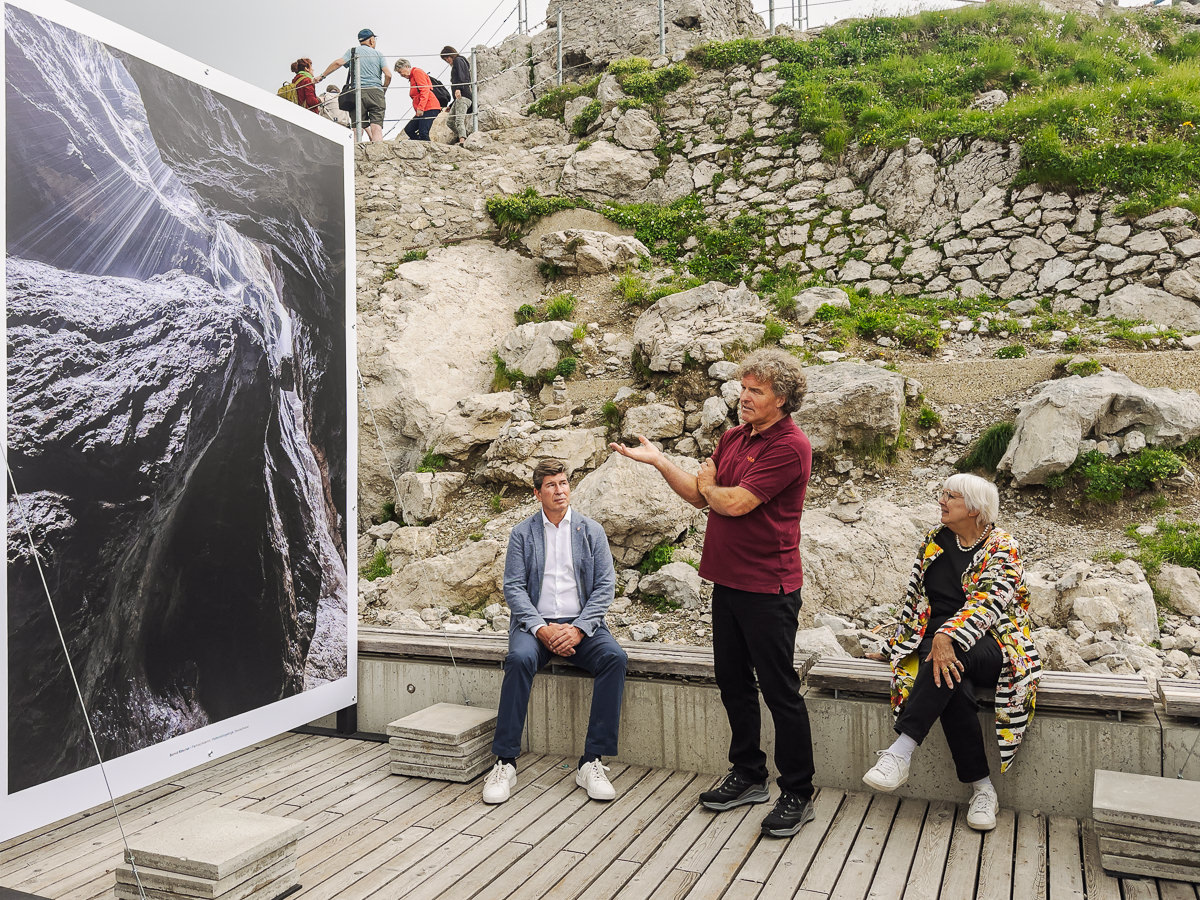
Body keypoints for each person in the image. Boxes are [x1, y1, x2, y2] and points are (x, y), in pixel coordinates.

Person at [609, 348, 816, 839]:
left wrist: (709, 486)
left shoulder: (791, 446)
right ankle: (748, 773)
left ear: (782, 399)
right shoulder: (734, 437)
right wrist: (662, 461)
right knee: (732, 682)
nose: (742, 397)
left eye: (755, 392)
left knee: (780, 690)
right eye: (742, 388)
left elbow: (736, 503)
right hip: (728, 582)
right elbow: (704, 496)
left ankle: (798, 791)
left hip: (770, 587)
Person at [861, 473, 1042, 832]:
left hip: (994, 641)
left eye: (951, 497)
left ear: (975, 509)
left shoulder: (1003, 547)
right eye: (942, 494)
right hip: (937, 644)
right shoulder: (936, 539)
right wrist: (897, 642)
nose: (942, 501)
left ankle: (901, 751)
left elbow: (987, 603)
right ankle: (982, 789)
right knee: (950, 678)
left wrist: (948, 635)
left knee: (947, 656)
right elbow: (914, 601)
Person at [482, 459, 627, 805]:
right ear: (537, 493)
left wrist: (578, 629)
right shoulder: (522, 534)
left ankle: (591, 761)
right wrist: (540, 628)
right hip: (535, 625)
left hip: (583, 625)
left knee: (615, 659)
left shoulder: (592, 531)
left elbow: (605, 587)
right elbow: (514, 588)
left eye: (563, 483)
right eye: (551, 485)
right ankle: (505, 761)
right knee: (518, 658)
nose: (560, 490)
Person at [316, 28, 390, 142]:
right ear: (371, 40)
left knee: (357, 129)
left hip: (358, 93)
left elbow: (338, 63)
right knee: (377, 128)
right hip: (376, 92)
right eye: (374, 39)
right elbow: (388, 75)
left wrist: (322, 76)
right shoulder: (379, 55)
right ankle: (378, 155)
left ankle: (356, 156)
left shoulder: (353, 51)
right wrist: (383, 89)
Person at [394, 59, 441, 142]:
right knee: (409, 129)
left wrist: (420, 107)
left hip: (429, 107)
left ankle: (429, 150)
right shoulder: (412, 77)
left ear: (407, 67)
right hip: (424, 108)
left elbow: (424, 90)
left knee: (423, 132)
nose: (401, 75)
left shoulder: (417, 72)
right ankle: (422, 145)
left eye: (400, 72)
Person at [439, 45, 473, 145]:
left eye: (447, 57)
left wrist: (458, 88)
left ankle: (462, 140)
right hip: (459, 97)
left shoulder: (458, 60)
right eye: (445, 59)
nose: (447, 60)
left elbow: (462, 77)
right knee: (449, 121)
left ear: (451, 54)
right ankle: (463, 135)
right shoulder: (458, 62)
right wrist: (451, 105)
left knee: (459, 119)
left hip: (464, 96)